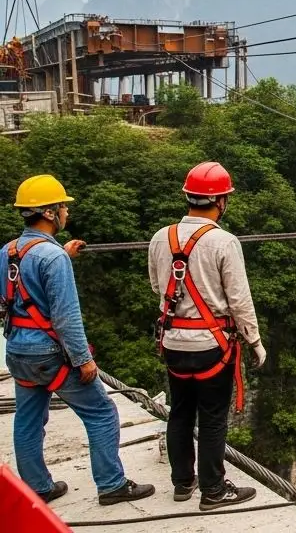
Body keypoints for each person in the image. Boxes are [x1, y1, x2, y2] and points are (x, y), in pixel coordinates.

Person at [3, 174, 155, 505]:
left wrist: (62, 253)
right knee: (102, 412)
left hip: (17, 351)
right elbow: (65, 316)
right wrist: (83, 360)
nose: (66, 213)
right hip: (50, 355)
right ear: (49, 212)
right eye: (62, 208)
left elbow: (22, 289)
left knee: (28, 419)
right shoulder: (52, 258)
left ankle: (37, 487)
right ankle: (112, 485)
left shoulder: (9, 251)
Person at [149, 161, 264, 511]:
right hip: (213, 347)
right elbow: (239, 299)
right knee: (213, 416)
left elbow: (157, 287)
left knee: (180, 410)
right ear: (221, 201)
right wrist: (255, 341)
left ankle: (183, 482)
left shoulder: (160, 238)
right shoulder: (224, 242)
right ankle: (213, 490)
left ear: (189, 197)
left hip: (173, 343)